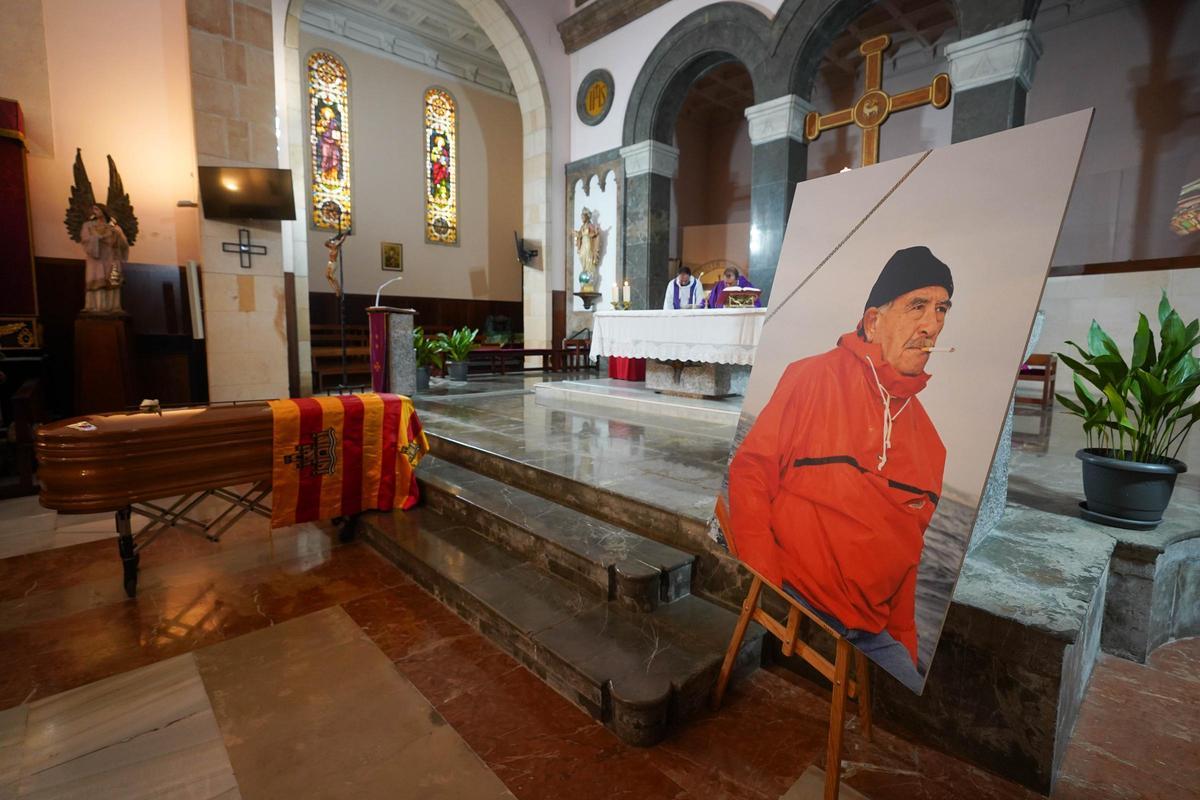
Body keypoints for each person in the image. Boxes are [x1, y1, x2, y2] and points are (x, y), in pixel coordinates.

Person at [725, 245, 953, 691]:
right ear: (873, 321)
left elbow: (907, 560)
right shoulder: (811, 378)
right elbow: (751, 471)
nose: (933, 325)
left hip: (873, 634)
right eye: (918, 306)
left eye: (942, 309)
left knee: (908, 699)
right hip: (794, 594)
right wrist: (767, 583)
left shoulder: (933, 448)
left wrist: (904, 646)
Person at [79, 203, 130, 314]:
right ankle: (96, 307)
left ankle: (113, 307)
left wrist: (117, 235)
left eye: (97, 209)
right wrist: (96, 238)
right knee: (97, 281)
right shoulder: (88, 226)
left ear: (103, 211)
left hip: (111, 257)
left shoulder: (114, 227)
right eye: (93, 209)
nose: (94, 211)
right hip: (96, 259)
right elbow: (85, 239)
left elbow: (124, 244)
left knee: (113, 281)